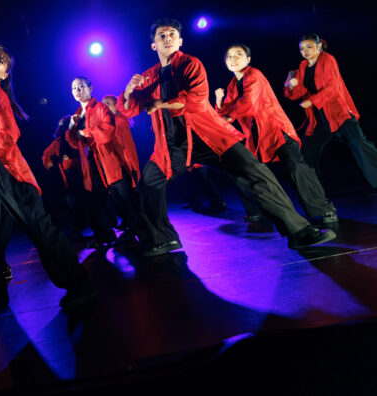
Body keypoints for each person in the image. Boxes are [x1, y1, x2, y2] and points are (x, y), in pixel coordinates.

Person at [118, 19, 335, 256]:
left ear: (180, 41)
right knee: (149, 184)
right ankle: (163, 240)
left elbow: (196, 99)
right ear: (154, 45)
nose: (167, 38)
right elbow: (130, 109)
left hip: (208, 137)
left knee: (254, 172)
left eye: (172, 34)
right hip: (172, 144)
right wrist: (129, 92)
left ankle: (299, 231)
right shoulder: (148, 77)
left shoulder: (191, 64)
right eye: (162, 35)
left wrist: (161, 103)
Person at [0, 45, 94, 310]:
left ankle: (79, 284)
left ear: (4, 74)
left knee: (39, 228)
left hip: (9, 172)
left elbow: (9, 136)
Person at [215, 44, 337, 224]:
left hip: (276, 130)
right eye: (229, 56)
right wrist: (218, 100)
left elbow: (248, 103)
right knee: (244, 170)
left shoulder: (254, 75)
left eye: (238, 54)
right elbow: (225, 112)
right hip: (256, 137)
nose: (233, 59)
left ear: (248, 59)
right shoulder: (233, 84)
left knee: (296, 169)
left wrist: (228, 114)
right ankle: (254, 211)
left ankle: (325, 209)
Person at [284, 33, 377, 189]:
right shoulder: (303, 67)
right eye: (302, 48)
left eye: (309, 47)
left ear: (319, 46)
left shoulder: (327, 60)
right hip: (320, 119)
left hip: (338, 113)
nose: (305, 51)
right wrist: (290, 85)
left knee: (359, 144)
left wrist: (312, 101)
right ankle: (315, 189)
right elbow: (296, 94)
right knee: (308, 151)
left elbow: (333, 87)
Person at [66, 78, 142, 248]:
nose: (77, 90)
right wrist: (71, 128)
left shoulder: (100, 108)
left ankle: (148, 237)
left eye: (81, 86)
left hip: (109, 160)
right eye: (74, 88)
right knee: (95, 202)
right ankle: (105, 235)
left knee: (126, 200)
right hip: (93, 164)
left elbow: (107, 132)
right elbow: (74, 143)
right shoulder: (78, 115)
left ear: (90, 88)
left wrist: (85, 132)